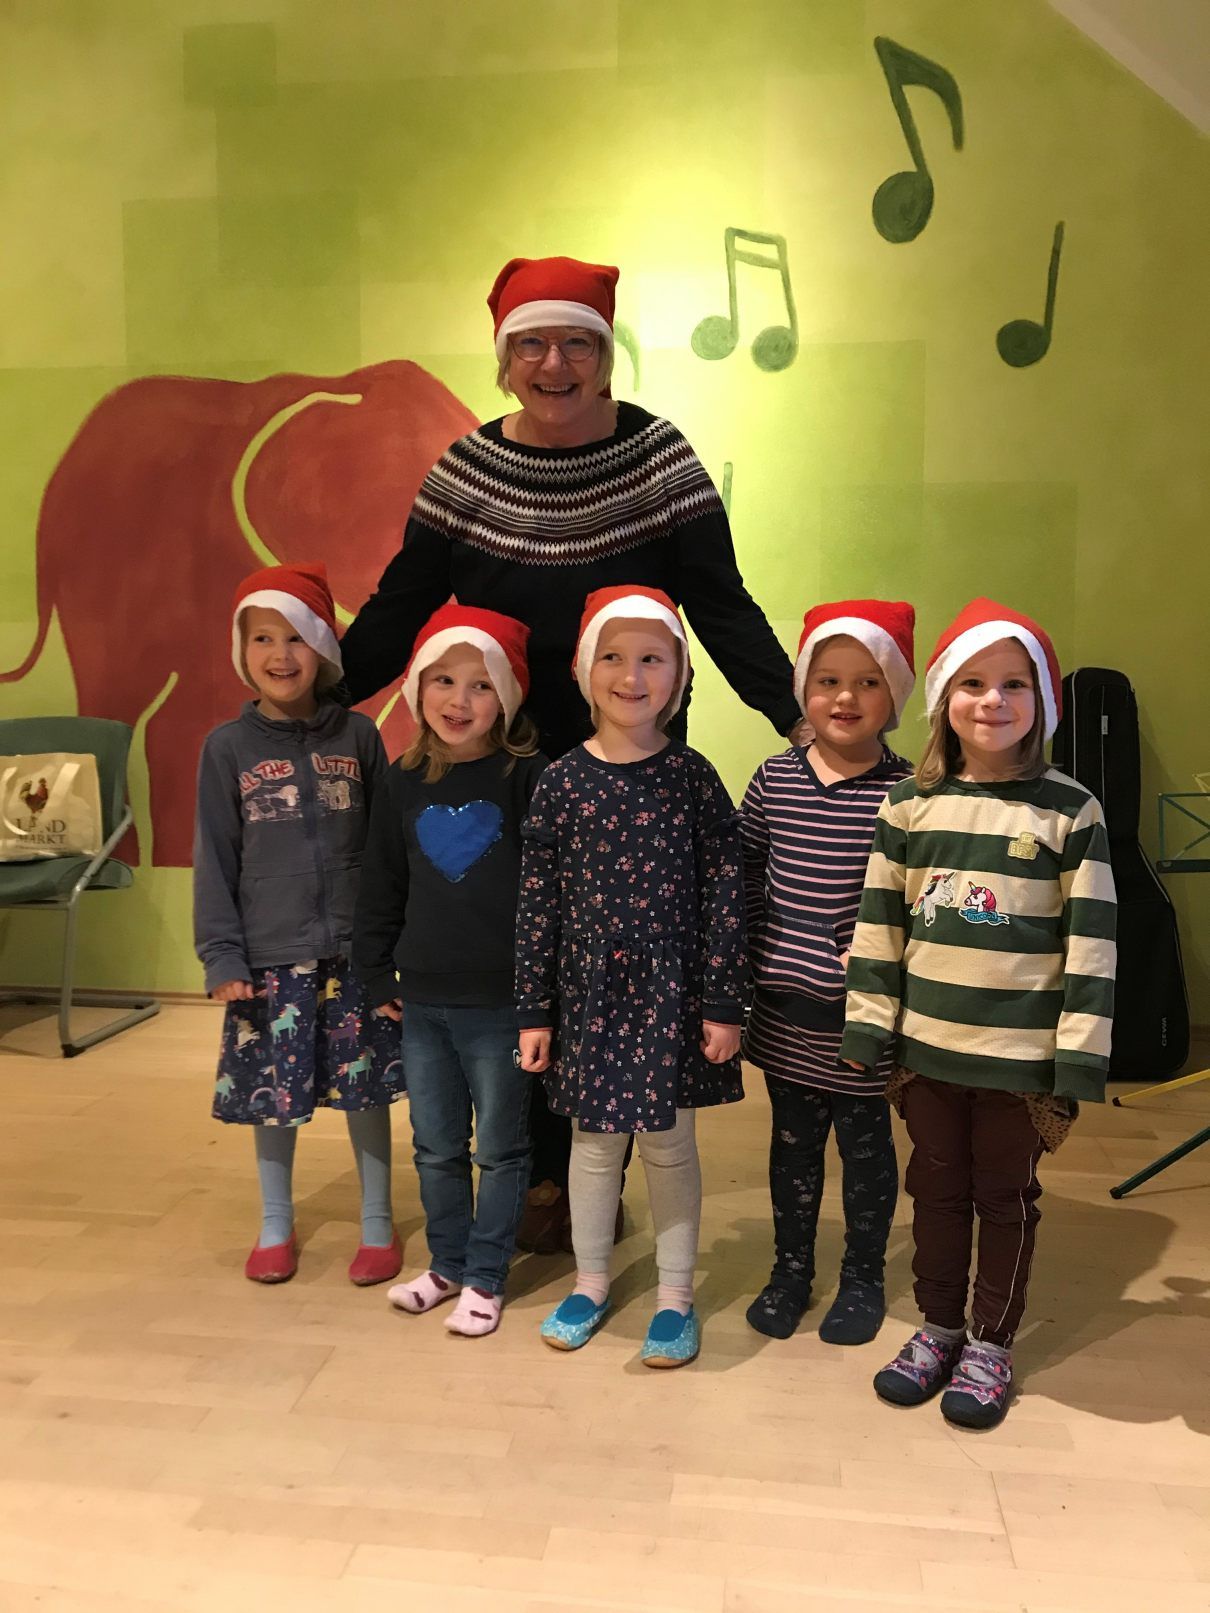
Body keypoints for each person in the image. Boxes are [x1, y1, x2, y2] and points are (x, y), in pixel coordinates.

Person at [338, 254, 799, 1253]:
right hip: (498, 753)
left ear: (606, 352)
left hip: (628, 754)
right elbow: (399, 607)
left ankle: (580, 1171)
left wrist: (795, 714)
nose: (555, 364)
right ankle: (535, 1166)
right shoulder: (466, 470)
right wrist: (319, 695)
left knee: (611, 965)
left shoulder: (658, 459)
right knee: (529, 958)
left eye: (577, 343)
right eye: (532, 344)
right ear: (505, 358)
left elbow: (721, 606)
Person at [840, 598, 1117, 1429]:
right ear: (942, 697)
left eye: (1013, 684)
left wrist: (1079, 1057)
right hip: (926, 1053)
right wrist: (868, 1026)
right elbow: (879, 926)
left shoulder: (1072, 810)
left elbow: (1093, 945)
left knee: (1004, 1196)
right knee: (935, 1190)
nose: (992, 700)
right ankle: (938, 1326)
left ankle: (991, 1341)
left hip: (1020, 1062)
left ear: (1042, 701)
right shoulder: (908, 806)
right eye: (972, 682)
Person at [515, 587, 746, 1367]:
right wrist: (533, 1009)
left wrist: (723, 1002)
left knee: (670, 1145)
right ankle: (589, 1281)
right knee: (593, 1145)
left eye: (652, 658)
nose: (632, 675)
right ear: (586, 671)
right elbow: (538, 904)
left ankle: (676, 1296)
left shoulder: (694, 778)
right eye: (613, 656)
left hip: (671, 996)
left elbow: (725, 894)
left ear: (678, 675)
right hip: (588, 997)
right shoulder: (559, 783)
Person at [193, 563, 404, 1286]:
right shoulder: (226, 748)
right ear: (242, 649)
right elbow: (214, 857)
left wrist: (390, 948)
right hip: (269, 959)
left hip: (353, 956)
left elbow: (387, 852)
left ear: (322, 648)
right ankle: (276, 1222)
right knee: (272, 1096)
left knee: (366, 1089)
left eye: (296, 637)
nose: (280, 655)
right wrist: (223, 955)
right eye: (262, 638)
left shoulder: (361, 736)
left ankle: (377, 1221)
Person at [353, 605, 546, 1337]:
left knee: (499, 1148)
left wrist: (540, 996)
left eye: (479, 684)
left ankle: (487, 1275)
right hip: (422, 1004)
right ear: (417, 688)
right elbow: (381, 882)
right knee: (435, 1146)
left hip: (501, 1005)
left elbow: (550, 895)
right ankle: (447, 1263)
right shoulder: (402, 780)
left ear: (506, 697)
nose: (458, 700)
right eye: (442, 680)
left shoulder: (528, 777)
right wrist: (376, 974)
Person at [742, 601, 915, 1344]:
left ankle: (863, 1275)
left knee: (866, 1149)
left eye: (868, 682)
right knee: (792, 1149)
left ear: (894, 696)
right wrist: (756, 954)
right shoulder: (774, 780)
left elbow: (923, 896)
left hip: (864, 1015)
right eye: (828, 679)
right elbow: (746, 870)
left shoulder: (909, 793)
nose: (846, 697)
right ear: (804, 689)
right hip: (786, 1009)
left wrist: (881, 954)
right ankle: (790, 1271)